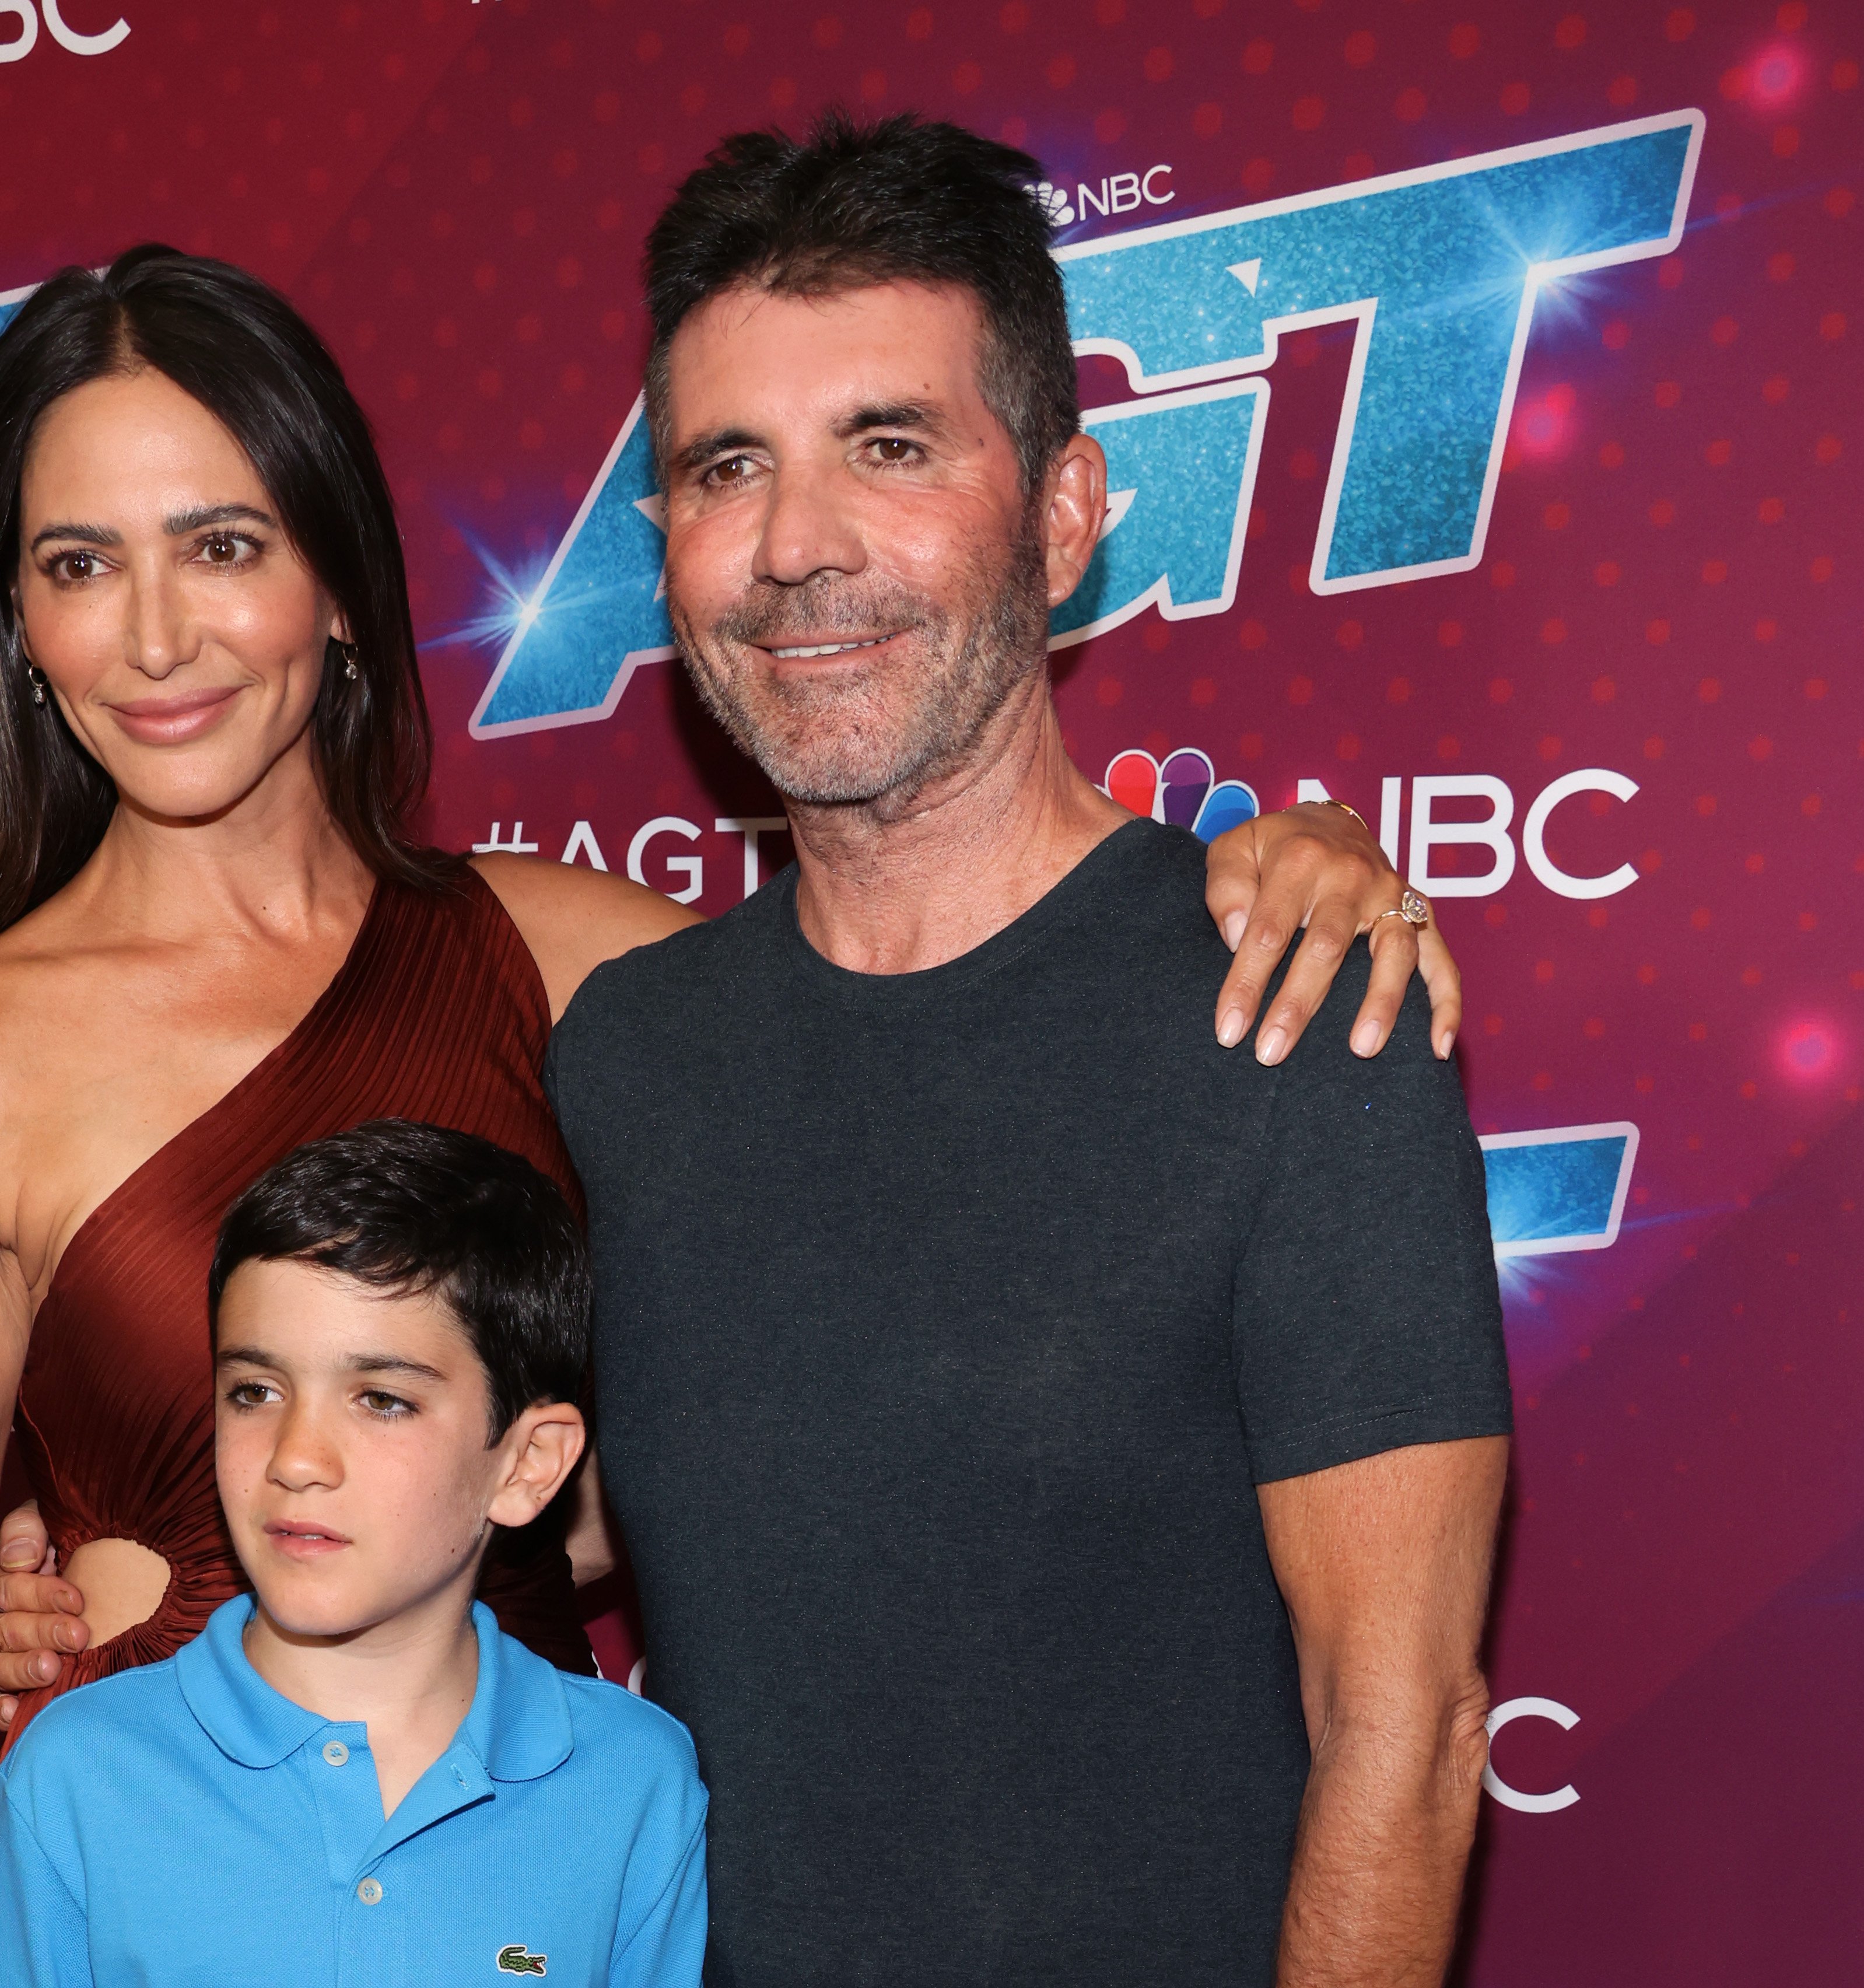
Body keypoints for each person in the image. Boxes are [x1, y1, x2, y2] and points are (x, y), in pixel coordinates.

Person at [0, 244, 1445, 1983]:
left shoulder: (582, 965)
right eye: (79, 563)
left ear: (340, 583)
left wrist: (1279, 867)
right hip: (171, 1900)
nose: (154, 635)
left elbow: (897, 1071)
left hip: (548, 1898)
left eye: (223, 544)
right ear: (18, 620)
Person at [538, 112, 1516, 1988]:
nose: (797, 547)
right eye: (726, 467)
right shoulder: (627, 1058)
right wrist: (120, 1578)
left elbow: (1400, 1735)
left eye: (888, 448)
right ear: (663, 544)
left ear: (1061, 513)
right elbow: (522, 1521)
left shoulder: (1302, 1012)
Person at [0, 1121, 707, 1988]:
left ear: (526, 1465)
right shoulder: (80, 1774)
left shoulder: (632, 1783)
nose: (294, 1457)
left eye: (381, 1400)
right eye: (255, 1392)